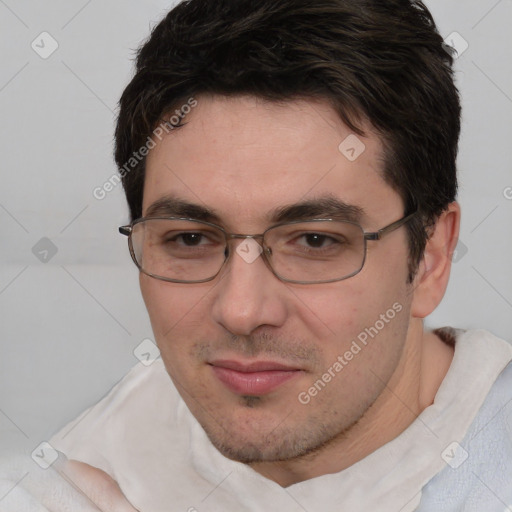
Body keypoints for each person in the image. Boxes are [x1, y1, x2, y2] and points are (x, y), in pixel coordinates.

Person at [2, 0, 511, 510]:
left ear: (431, 257)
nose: (241, 311)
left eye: (315, 240)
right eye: (190, 238)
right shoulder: (67, 484)